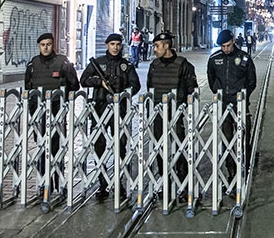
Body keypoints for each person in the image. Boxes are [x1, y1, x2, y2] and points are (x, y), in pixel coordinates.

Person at [81, 31, 141, 199]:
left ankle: (120, 182)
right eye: (112, 44)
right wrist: (99, 82)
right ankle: (102, 183)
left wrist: (123, 92)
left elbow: (135, 84)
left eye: (118, 44)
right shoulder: (98, 64)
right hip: (100, 107)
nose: (115, 47)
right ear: (107, 45)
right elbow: (83, 79)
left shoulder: (126, 65)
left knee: (121, 146)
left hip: (119, 109)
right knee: (99, 145)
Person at [24, 32, 79, 196]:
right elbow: (28, 87)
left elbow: (74, 85)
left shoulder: (63, 63)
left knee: (57, 147)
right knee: (41, 147)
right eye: (42, 45)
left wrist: (62, 98)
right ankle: (43, 182)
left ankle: (58, 181)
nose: (45, 47)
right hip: (38, 112)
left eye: (48, 44)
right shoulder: (33, 64)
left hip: (57, 111)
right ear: (39, 46)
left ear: (53, 45)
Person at [146, 30, 199, 191]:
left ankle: (183, 182)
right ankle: (164, 180)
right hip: (158, 113)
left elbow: (192, 90)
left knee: (180, 146)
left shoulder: (184, 65)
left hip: (177, 112)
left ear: (166, 46)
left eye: (157, 46)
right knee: (159, 147)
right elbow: (150, 87)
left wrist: (187, 111)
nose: (155, 49)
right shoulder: (154, 65)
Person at [207, 28, 258, 192]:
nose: (226, 49)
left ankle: (246, 168)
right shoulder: (214, 59)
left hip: (240, 105)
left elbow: (252, 81)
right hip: (223, 106)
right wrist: (219, 93)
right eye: (223, 47)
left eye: (228, 45)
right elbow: (211, 80)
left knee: (244, 136)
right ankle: (231, 173)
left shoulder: (244, 58)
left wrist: (243, 96)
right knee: (227, 140)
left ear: (233, 42)